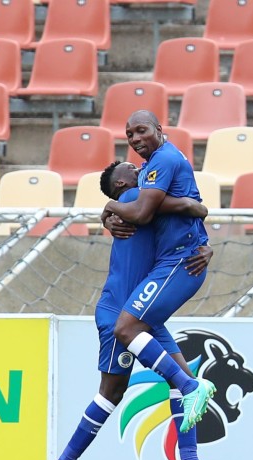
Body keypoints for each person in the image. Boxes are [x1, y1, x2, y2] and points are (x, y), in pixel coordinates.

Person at [49, 161, 234, 460]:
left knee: (178, 380)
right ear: (121, 184)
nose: (141, 169)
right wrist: (196, 207)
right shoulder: (138, 197)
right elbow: (188, 208)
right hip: (119, 313)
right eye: (132, 169)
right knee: (111, 391)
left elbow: (178, 232)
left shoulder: (136, 205)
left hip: (142, 312)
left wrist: (204, 249)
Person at [99, 110, 217, 437]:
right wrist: (195, 210)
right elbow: (181, 208)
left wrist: (109, 209)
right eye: (130, 135)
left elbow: (144, 211)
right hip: (167, 267)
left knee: (126, 333)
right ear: (123, 185)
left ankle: (190, 386)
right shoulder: (148, 173)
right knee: (162, 375)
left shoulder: (159, 164)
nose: (135, 140)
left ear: (158, 129)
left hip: (178, 263)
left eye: (141, 131)